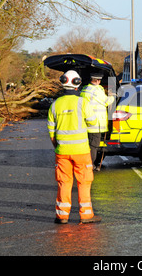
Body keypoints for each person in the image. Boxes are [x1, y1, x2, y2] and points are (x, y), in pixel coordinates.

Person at [47, 70, 101, 224]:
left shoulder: (55, 105)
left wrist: (58, 147)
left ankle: (62, 216)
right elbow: (92, 122)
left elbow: (51, 132)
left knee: (64, 182)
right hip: (82, 151)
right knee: (84, 182)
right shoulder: (82, 103)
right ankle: (86, 215)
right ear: (77, 83)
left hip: (62, 151)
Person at [80, 72, 115, 171]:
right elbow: (106, 101)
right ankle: (90, 165)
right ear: (97, 80)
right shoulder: (96, 90)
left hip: (87, 123)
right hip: (96, 124)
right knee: (94, 146)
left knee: (88, 146)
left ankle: (87, 164)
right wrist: (113, 96)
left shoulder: (85, 89)